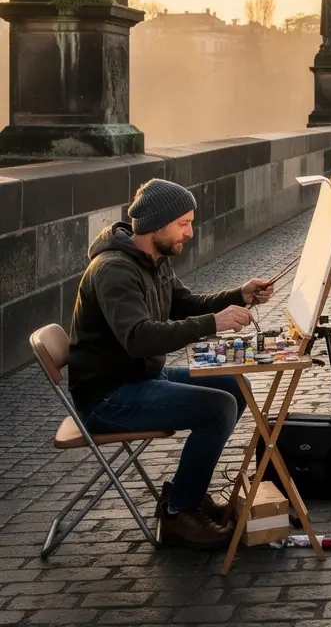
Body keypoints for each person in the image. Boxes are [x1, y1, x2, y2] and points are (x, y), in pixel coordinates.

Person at [67, 179, 275, 550]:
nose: (190, 233)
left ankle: (186, 492)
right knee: (218, 407)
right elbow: (139, 337)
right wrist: (213, 323)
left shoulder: (153, 260)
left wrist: (239, 295)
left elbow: (185, 304)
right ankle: (180, 511)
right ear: (156, 226)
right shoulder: (114, 270)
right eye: (183, 224)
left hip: (140, 375)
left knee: (234, 385)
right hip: (108, 396)